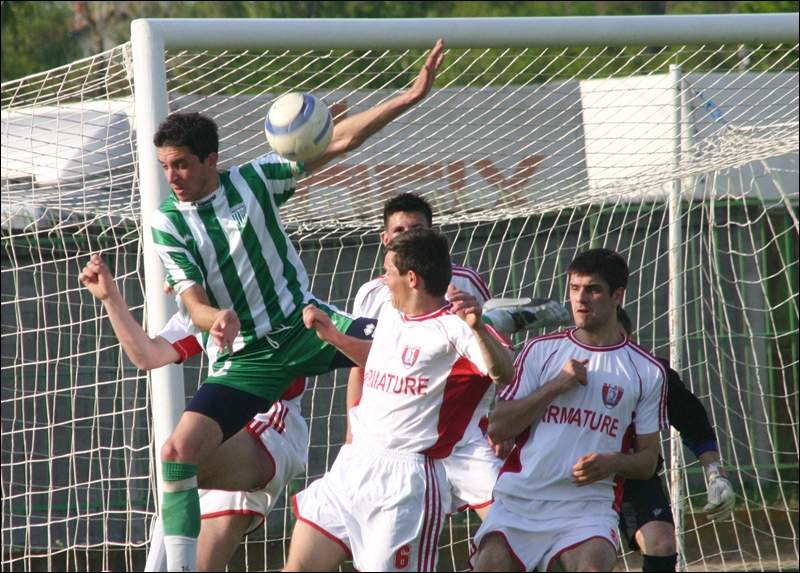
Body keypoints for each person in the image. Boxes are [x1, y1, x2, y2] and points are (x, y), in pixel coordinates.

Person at [148, 40, 445, 571]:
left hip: (306, 325)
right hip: (249, 358)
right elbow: (192, 301)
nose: (172, 177)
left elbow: (341, 139)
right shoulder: (167, 221)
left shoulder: (255, 181)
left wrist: (408, 97)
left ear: (212, 160)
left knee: (416, 339)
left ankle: (495, 332)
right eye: (165, 166)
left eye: (182, 165)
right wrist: (216, 319)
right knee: (175, 455)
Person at [285, 228, 515, 572]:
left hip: (406, 482)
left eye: (388, 272)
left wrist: (478, 328)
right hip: (353, 464)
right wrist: (334, 338)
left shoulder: (456, 328)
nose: (384, 280)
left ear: (411, 278)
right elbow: (380, 359)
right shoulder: (392, 315)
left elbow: (504, 372)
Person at [347, 192, 570, 518]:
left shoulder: (462, 281)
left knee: (510, 519)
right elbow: (361, 367)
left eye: (416, 229)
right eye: (399, 231)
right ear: (385, 239)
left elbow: (492, 351)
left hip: (463, 438)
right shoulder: (372, 295)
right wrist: (352, 433)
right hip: (399, 445)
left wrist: (500, 423)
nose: (408, 236)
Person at [78, 254, 308, 571]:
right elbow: (147, 355)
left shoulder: (272, 299)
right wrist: (110, 298)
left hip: (270, 431)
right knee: (179, 471)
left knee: (179, 459)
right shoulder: (199, 314)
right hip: (222, 436)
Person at [472, 248, 668, 572]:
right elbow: (497, 428)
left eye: (593, 290)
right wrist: (555, 386)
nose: (580, 299)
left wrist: (612, 463)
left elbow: (648, 461)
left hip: (588, 508)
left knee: (592, 566)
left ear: (617, 296)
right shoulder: (540, 350)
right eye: (575, 288)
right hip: (521, 502)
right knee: (491, 565)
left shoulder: (646, 370)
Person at [616, 308, 735, 573]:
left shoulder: (653, 373)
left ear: (629, 337)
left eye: (618, 339)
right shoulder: (569, 371)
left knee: (662, 543)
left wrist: (716, 474)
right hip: (577, 477)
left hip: (633, 474)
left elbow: (693, 422)